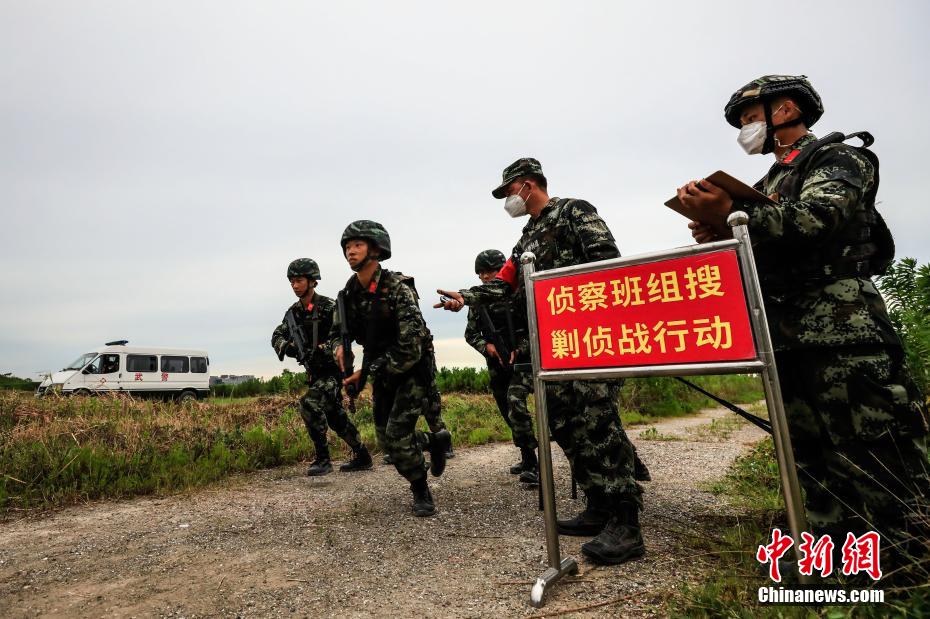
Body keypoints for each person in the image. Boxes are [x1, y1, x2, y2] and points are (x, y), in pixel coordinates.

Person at [677, 74, 929, 580]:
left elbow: (818, 218)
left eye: (750, 118)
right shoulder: (768, 182)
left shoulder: (839, 159)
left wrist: (734, 211)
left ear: (786, 109)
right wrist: (719, 228)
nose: (746, 129)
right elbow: (758, 243)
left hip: (844, 332)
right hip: (784, 334)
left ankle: (906, 564)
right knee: (807, 452)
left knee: (874, 447)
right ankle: (831, 557)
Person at [437, 158, 645, 565]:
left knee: (599, 425)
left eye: (509, 192)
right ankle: (598, 506)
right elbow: (506, 284)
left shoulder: (573, 212)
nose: (507, 201)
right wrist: (465, 297)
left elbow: (607, 261)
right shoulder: (525, 239)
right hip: (555, 346)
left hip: (591, 340)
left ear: (529, 185)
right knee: (565, 424)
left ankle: (627, 522)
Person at [332, 220, 452, 517]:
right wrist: (338, 348)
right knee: (386, 441)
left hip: (412, 368)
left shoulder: (397, 288)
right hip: (382, 369)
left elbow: (411, 344)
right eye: (347, 247)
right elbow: (336, 330)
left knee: (398, 435)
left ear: (375, 249)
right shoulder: (348, 295)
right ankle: (433, 441)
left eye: (357, 245)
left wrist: (368, 371)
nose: (351, 251)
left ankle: (420, 490)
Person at [271, 258, 372, 476]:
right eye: (291, 282)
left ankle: (323, 459)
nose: (295, 285)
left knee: (309, 403)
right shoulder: (293, 314)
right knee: (336, 416)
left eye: (299, 281)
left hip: (333, 373)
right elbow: (277, 335)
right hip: (314, 374)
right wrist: (287, 347)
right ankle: (362, 454)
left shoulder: (329, 307)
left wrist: (326, 348)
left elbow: (344, 337)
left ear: (312, 281)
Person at [464, 249, 539, 482]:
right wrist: (486, 346)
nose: (486, 277)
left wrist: (521, 347)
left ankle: (535, 465)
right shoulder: (479, 300)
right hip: (496, 363)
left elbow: (535, 325)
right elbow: (470, 334)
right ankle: (528, 456)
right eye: (482, 274)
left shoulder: (517, 293)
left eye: (492, 272)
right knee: (507, 409)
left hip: (523, 360)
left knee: (515, 402)